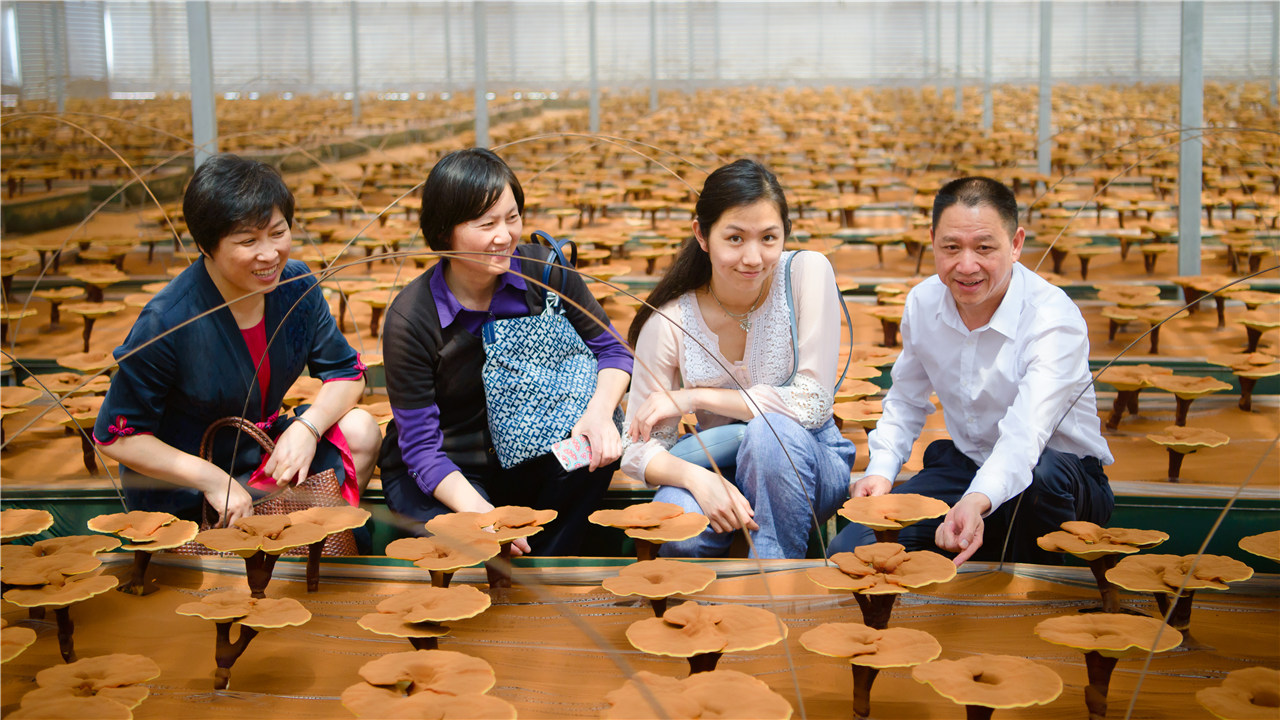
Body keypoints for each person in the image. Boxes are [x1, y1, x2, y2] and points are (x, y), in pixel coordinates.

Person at [829, 176, 1114, 566]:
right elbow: (906, 400)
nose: (966, 265)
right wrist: (881, 471)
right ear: (932, 240)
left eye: (984, 248)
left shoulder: (1052, 319)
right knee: (853, 551)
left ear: (1015, 245)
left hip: (1057, 479)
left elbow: (1026, 433)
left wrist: (977, 500)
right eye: (951, 247)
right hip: (969, 466)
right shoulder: (923, 302)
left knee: (1042, 481)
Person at [94, 154, 380, 528]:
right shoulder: (167, 321)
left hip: (263, 457)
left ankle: (307, 549)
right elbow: (116, 436)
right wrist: (212, 479)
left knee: (361, 430)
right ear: (206, 245)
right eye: (248, 241)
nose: (269, 254)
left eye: (278, 233)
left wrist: (306, 428)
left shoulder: (295, 287)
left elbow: (346, 373)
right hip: (189, 487)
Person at [378, 148, 632, 556]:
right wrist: (483, 516)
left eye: (512, 218)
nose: (505, 235)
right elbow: (422, 448)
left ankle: (548, 568)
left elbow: (614, 351)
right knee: (466, 550)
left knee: (592, 451)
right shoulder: (412, 318)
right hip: (448, 468)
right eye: (486, 223)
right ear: (445, 231)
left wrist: (599, 414)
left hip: (532, 449)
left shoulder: (545, 272)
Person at [623, 159, 855, 559]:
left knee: (770, 433)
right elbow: (639, 448)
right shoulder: (669, 321)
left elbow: (813, 404)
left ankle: (774, 584)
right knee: (681, 530)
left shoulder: (806, 273)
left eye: (768, 237)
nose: (753, 258)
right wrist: (699, 480)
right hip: (719, 461)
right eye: (734, 238)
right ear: (702, 234)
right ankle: (701, 616)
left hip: (808, 459)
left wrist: (696, 398)